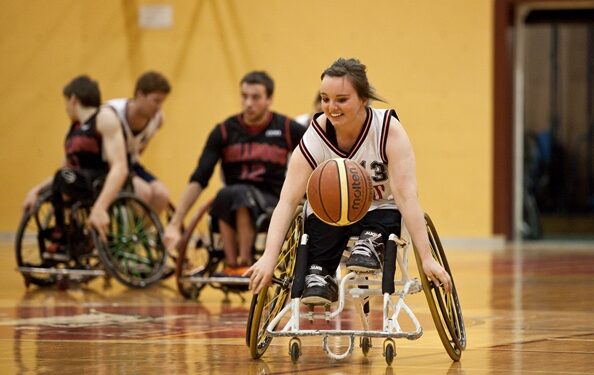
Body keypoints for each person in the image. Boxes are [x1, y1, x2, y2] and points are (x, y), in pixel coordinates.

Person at [245, 58, 452, 305]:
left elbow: (407, 197)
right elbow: (288, 201)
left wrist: (427, 257)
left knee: (386, 212)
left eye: (341, 99)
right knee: (316, 214)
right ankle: (320, 274)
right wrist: (269, 256)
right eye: (325, 99)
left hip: (381, 211)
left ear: (363, 99)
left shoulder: (388, 130)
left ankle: (370, 245)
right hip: (331, 216)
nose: (331, 107)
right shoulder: (316, 134)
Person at [164, 71, 306, 277]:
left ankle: (245, 260)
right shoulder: (223, 131)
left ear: (269, 99)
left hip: (271, 200)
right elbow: (200, 176)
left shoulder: (286, 128)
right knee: (227, 194)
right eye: (244, 96)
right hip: (230, 198)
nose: (248, 103)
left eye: (255, 97)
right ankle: (231, 264)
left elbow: (315, 159)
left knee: (237, 194)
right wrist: (175, 223)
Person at [22, 75, 128, 260]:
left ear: (73, 100)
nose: (65, 108)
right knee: (62, 176)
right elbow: (62, 170)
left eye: (65, 102)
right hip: (74, 179)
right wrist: (36, 190)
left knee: (63, 176)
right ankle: (69, 234)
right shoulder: (74, 129)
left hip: (98, 180)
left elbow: (120, 166)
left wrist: (101, 206)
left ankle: (62, 232)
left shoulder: (104, 118)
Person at [106, 71, 171, 214]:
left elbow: (140, 149)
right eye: (156, 101)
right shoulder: (112, 113)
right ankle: (129, 233)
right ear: (140, 95)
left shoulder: (157, 119)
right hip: (106, 162)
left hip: (130, 161)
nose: (159, 107)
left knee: (162, 195)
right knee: (143, 191)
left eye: (162, 102)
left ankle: (141, 234)